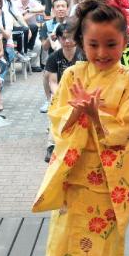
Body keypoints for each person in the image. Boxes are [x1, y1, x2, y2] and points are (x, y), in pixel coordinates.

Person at [1, 0, 129, 256]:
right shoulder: (72, 76)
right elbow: (57, 116)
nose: (101, 53)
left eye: (111, 44)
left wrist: (97, 116)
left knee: (103, 244)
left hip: (108, 180)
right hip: (75, 173)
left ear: (126, 39)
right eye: (93, 44)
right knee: (63, 239)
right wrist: (77, 114)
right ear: (81, 40)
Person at [44, 19, 84, 162]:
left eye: (70, 37)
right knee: (55, 112)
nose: (67, 41)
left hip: (81, 93)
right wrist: (60, 95)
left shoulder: (84, 55)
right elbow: (52, 81)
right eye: (63, 38)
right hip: (60, 92)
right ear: (59, 39)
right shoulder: (54, 57)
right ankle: (51, 146)